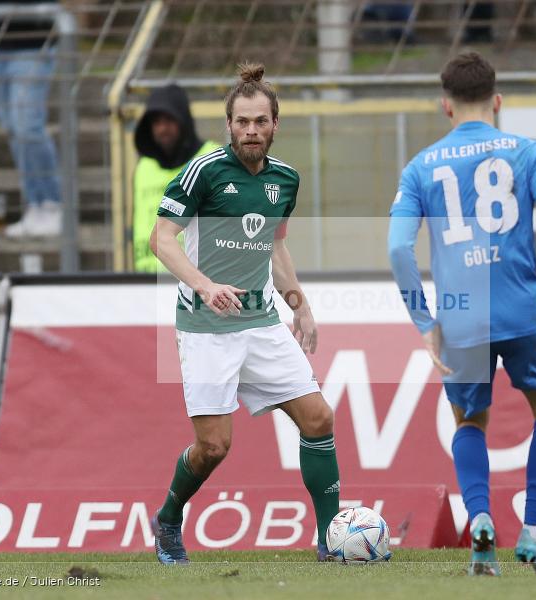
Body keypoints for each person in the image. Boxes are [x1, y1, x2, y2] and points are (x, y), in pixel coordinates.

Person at [388, 52, 536, 576]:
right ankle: (534, 532)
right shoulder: (529, 152)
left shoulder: (420, 167)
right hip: (521, 309)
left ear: (444, 105)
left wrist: (425, 321)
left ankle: (481, 523)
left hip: (462, 318)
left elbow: (399, 250)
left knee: (470, 420)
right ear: (497, 101)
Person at [148, 62, 341, 564]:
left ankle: (331, 542)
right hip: (206, 326)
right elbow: (160, 240)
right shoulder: (204, 172)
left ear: (276, 125)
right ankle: (169, 519)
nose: (251, 131)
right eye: (242, 122)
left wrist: (300, 306)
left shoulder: (285, 180)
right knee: (213, 447)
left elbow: (275, 248)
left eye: (260, 122)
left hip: (260, 323)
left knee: (319, 418)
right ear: (228, 125)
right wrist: (205, 285)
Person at [0, 0, 62, 237]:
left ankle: (53, 202)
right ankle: (34, 204)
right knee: (12, 128)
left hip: (32, 43)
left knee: (27, 126)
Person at [132, 84, 219, 272]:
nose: (162, 128)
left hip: (197, 284)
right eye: (156, 122)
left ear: (183, 121)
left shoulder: (212, 159)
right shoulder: (144, 167)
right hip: (146, 284)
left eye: (169, 120)